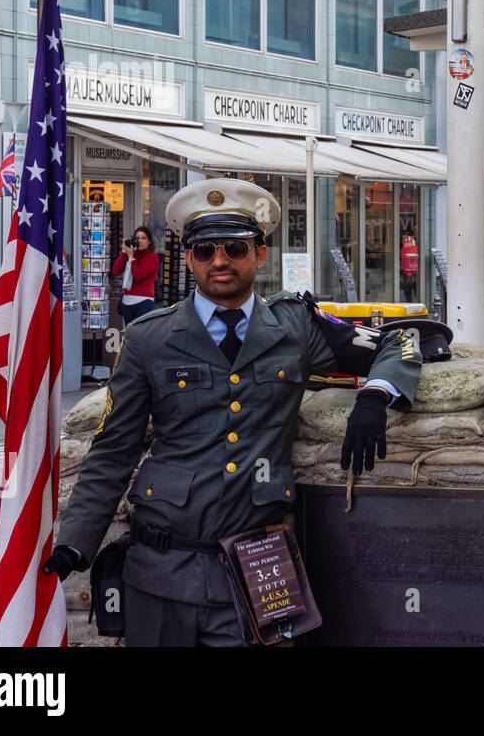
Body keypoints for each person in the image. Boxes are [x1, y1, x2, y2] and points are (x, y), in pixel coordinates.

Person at [45, 178, 421, 646]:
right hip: (161, 574)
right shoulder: (149, 339)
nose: (219, 261)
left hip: (258, 573)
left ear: (259, 255)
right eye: (204, 250)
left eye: (234, 248)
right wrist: (74, 543)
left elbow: (402, 340)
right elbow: (113, 450)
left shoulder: (294, 327)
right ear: (188, 259)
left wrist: (375, 395)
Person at [113, 225, 159, 325]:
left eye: (144, 238)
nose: (140, 241)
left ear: (149, 241)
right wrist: (124, 252)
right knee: (129, 335)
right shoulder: (130, 254)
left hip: (143, 301)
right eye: (137, 238)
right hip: (127, 301)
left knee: (141, 336)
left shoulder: (153, 257)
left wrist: (131, 258)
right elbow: (116, 271)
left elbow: (138, 276)